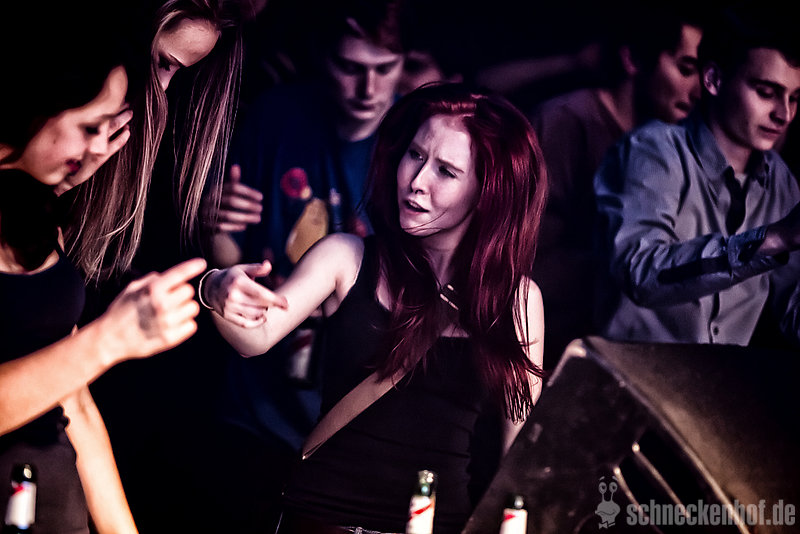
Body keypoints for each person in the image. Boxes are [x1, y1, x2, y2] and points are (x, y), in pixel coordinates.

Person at [202, 82, 547, 534]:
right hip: (320, 523)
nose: (416, 181)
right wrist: (215, 286)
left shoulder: (516, 301)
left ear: (488, 194)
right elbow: (255, 337)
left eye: (446, 171)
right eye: (415, 155)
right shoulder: (346, 256)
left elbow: (519, 453)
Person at [0, 5, 205, 531]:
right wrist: (109, 339)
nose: (101, 148)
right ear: (35, 106)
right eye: (90, 127)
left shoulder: (37, 218)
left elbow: (75, 403)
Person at [593, 4, 800, 346]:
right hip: (629, 372)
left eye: (794, 98)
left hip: (717, 378)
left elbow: (791, 309)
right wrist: (774, 239)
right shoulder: (653, 149)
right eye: (766, 92)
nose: (785, 114)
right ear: (713, 79)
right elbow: (640, 272)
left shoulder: (781, 180)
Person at [530, 2, 705, 368]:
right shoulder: (567, 120)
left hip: (619, 349)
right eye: (686, 69)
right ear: (633, 60)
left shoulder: (672, 147)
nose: (698, 89)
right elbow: (525, 256)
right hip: (545, 343)